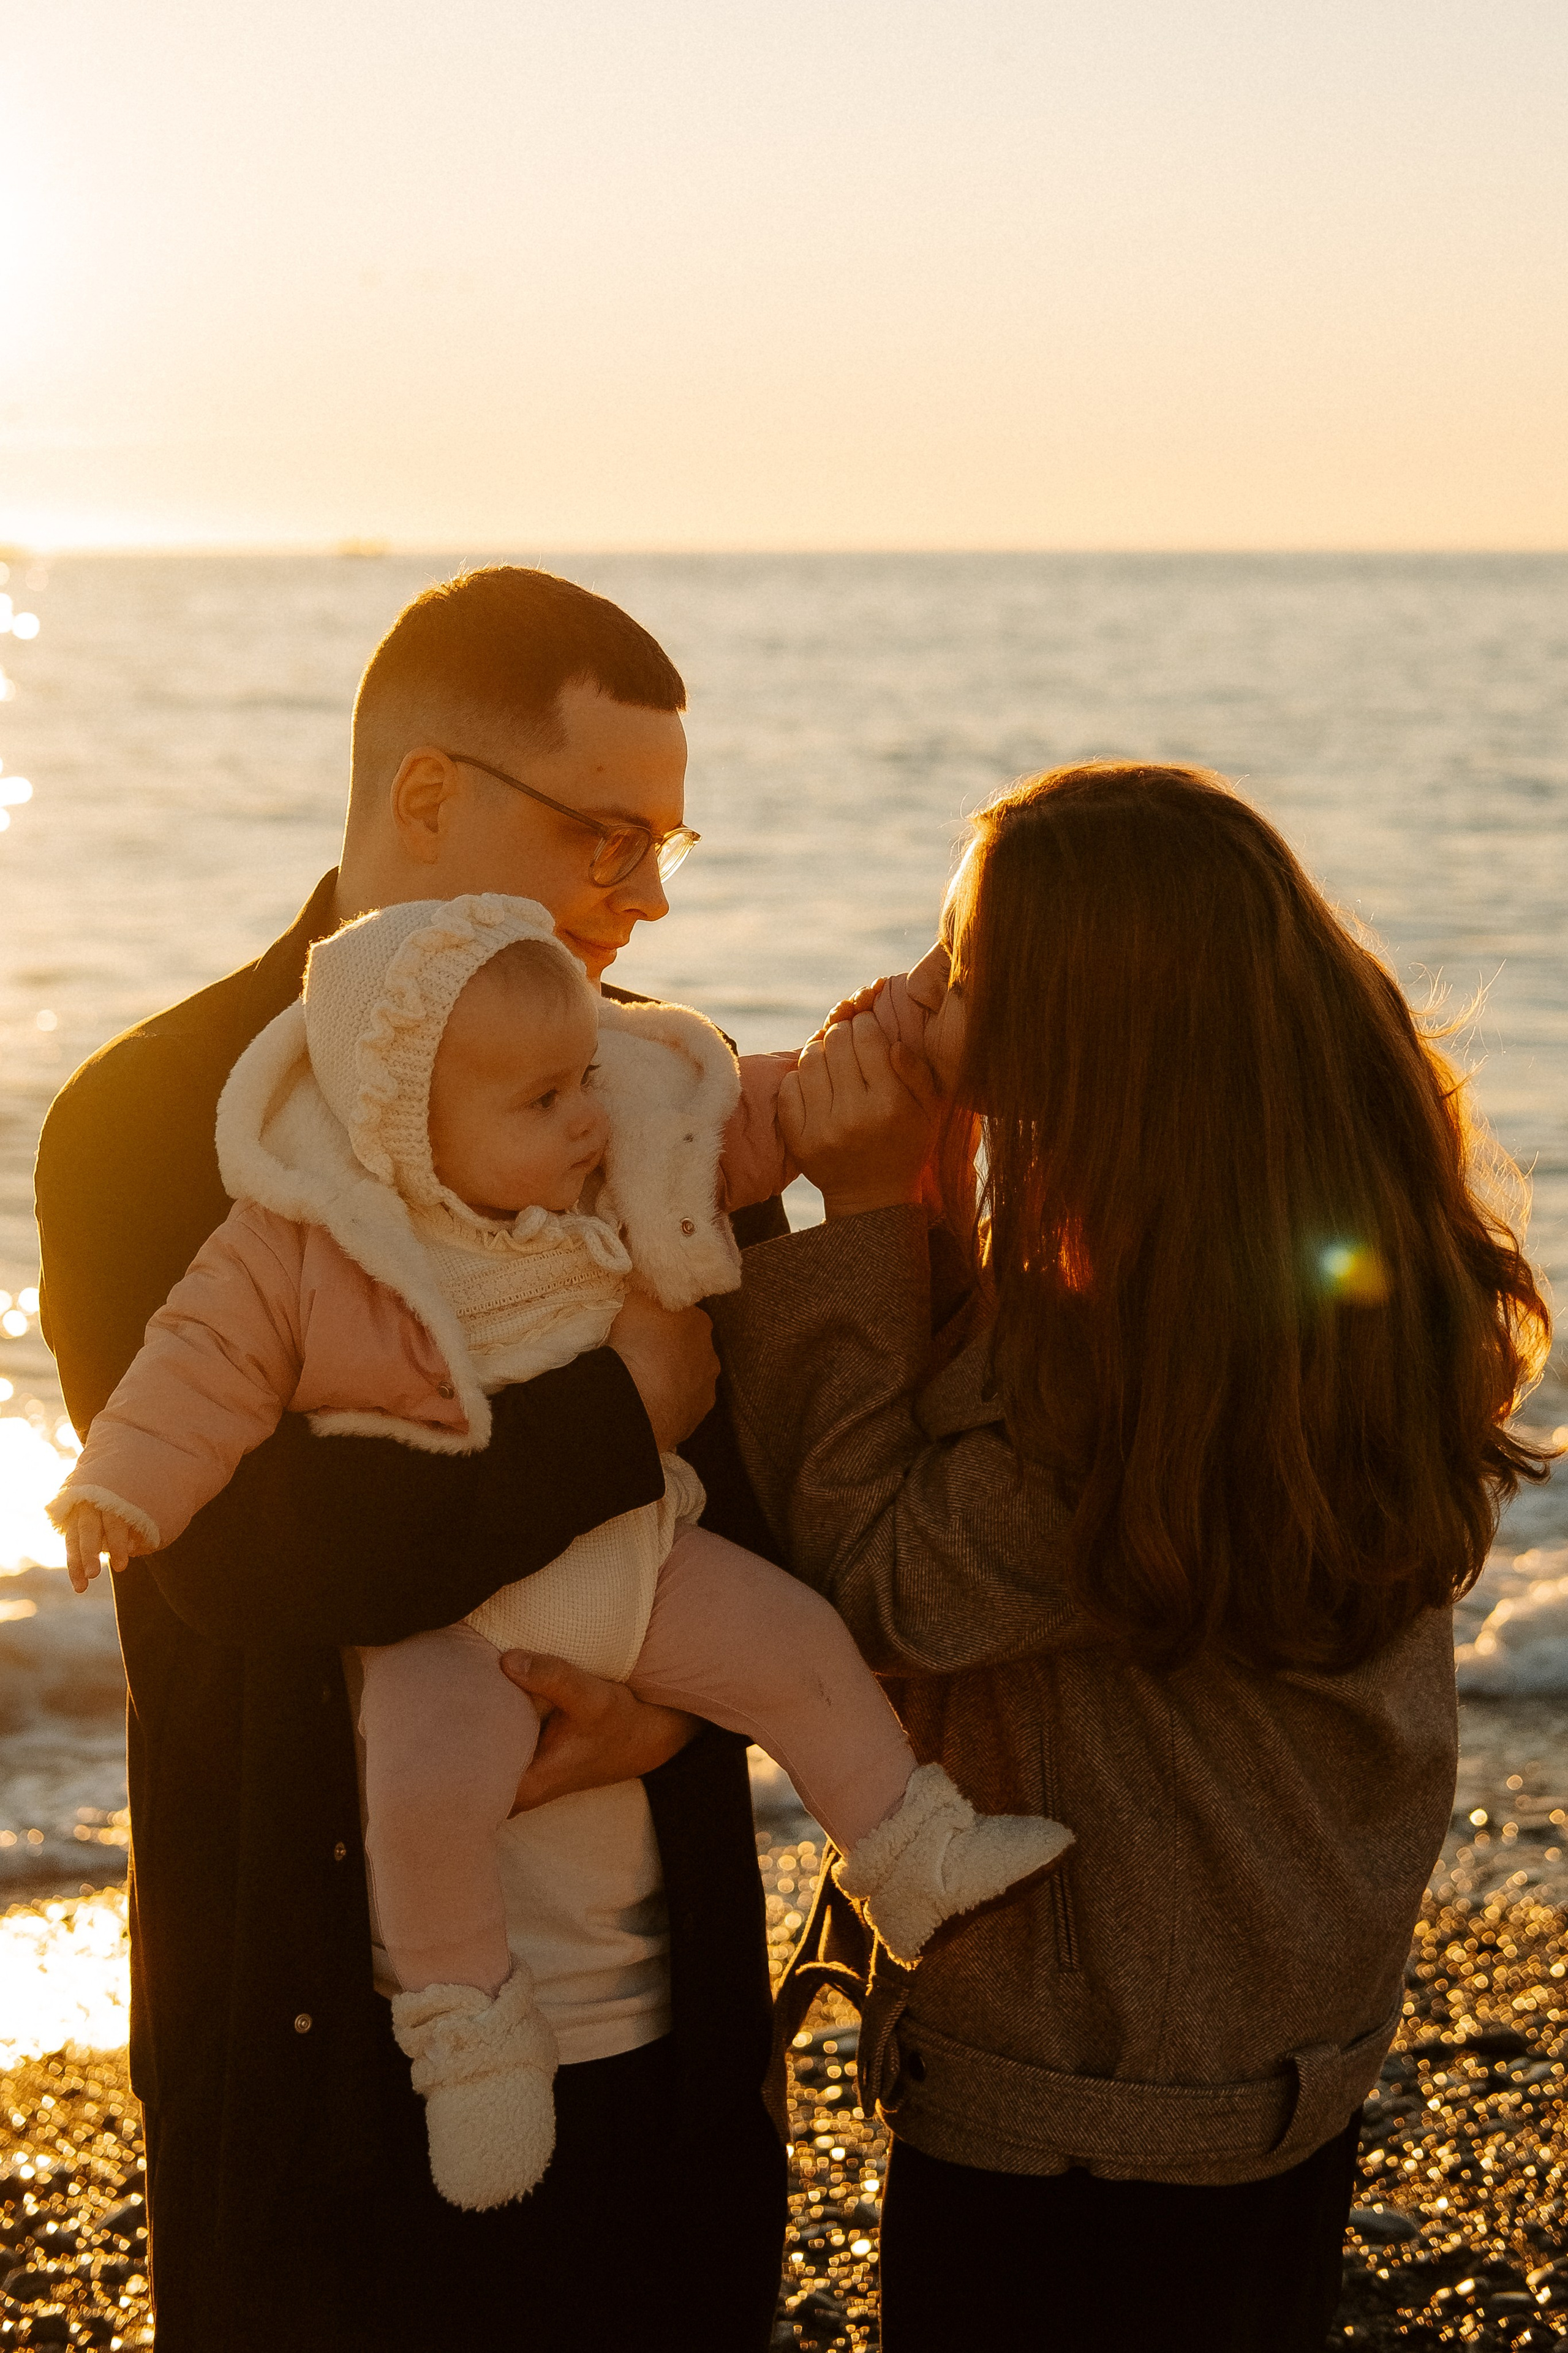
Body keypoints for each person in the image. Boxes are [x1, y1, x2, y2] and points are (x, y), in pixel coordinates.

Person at [34, 567, 792, 2351]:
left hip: (656, 2042)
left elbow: (765, 1512)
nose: (646, 902)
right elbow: (251, 1557)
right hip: (314, 2078)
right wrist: (618, 1411)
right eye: (608, 838)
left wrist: (678, 1704)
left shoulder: (647, 1093)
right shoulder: (154, 1119)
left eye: (667, 850)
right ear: (427, 793)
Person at [51, 891, 1069, 2211]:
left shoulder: (611, 1141)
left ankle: (908, 1847)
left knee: (799, 1649)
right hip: (460, 1619)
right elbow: (199, 1369)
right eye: (540, 1101)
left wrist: (862, 1071)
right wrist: (118, 1489)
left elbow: (743, 1117)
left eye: (585, 1076)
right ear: (400, 1125)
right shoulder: (306, 1242)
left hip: (642, 1561)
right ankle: (471, 2040)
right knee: (423, 1802)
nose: (584, 1113)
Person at [712, 763, 1555, 2351]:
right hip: (1270, 2068)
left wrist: (870, 1198)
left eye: (959, 971)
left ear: (1085, 1056)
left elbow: (879, 1585)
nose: (907, 988)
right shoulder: (1306, 1298)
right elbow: (984, 1504)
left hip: (1090, 2123)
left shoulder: (1122, 1376)